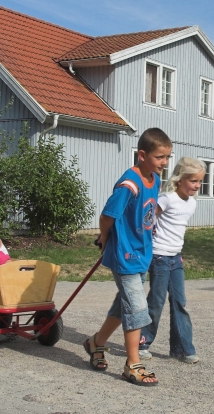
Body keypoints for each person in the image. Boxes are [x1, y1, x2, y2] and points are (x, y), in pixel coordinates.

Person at [83, 127, 172, 387]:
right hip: (125, 255)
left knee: (123, 307)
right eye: (160, 157)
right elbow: (107, 216)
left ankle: (95, 343)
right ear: (142, 155)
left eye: (167, 157)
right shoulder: (128, 184)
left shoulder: (154, 180)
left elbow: (148, 212)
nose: (164, 162)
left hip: (142, 252)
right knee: (136, 308)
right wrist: (104, 237)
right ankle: (132, 364)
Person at [138, 157, 205, 364]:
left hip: (176, 257)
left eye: (200, 181)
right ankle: (142, 342)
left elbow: (178, 229)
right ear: (179, 180)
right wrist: (150, 233)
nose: (197, 185)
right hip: (159, 256)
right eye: (193, 181)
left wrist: (178, 251)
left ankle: (182, 349)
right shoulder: (167, 198)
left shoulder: (191, 203)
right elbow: (148, 217)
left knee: (179, 302)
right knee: (156, 302)